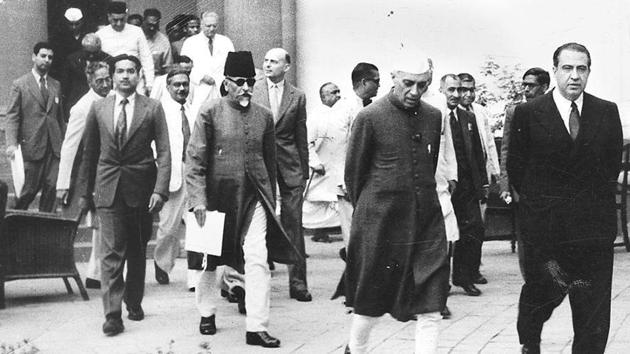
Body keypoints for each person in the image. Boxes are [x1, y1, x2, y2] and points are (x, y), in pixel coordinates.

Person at [507, 43, 622, 354]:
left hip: (592, 231)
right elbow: (517, 169)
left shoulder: (606, 112)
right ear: (555, 70)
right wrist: (539, 212)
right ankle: (529, 341)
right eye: (568, 68)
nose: (575, 76)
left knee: (593, 310)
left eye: (581, 69)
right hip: (547, 232)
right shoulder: (528, 114)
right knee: (541, 295)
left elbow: (610, 166)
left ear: (588, 72)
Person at [186, 51, 301, 347]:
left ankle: (257, 327)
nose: (247, 88)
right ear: (226, 83)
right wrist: (198, 200)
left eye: (251, 81)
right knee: (208, 261)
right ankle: (207, 312)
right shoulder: (209, 111)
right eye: (240, 82)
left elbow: (270, 160)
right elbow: (195, 160)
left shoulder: (264, 115)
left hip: (255, 198)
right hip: (214, 199)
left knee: (257, 258)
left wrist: (270, 198)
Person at [341, 56, 449, 354]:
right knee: (370, 303)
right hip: (381, 223)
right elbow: (354, 176)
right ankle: (356, 349)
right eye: (408, 83)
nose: (415, 91)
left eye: (423, 84)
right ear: (393, 77)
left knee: (432, 302)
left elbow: (430, 161)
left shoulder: (434, 115)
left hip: (426, 221)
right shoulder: (370, 116)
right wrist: (373, 212)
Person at [76, 54, 171, 336]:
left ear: (139, 74)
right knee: (111, 253)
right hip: (108, 188)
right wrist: (85, 193)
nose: (125, 76)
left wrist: (160, 190)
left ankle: (134, 299)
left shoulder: (152, 108)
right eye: (120, 71)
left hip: (141, 188)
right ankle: (112, 314)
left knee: (137, 248)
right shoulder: (98, 108)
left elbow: (165, 152)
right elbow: (89, 153)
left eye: (131, 71)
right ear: (113, 76)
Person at [253, 47, 311, 302]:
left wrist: (304, 170)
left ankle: (298, 283)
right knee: (255, 221)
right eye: (265, 60)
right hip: (260, 164)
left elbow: (301, 134)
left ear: (286, 67)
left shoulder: (297, 96)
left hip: (289, 165)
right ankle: (247, 281)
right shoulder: (253, 89)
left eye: (274, 62)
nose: (268, 65)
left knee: (293, 223)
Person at [57, 61, 112, 289]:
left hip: (112, 171)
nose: (105, 84)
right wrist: (63, 184)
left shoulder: (114, 99)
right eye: (99, 81)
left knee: (105, 224)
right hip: (95, 173)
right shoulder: (82, 107)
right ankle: (97, 273)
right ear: (89, 81)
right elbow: (69, 147)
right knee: (101, 223)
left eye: (107, 79)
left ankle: (96, 272)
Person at [439, 74, 488, 297]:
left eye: (459, 90)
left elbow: (478, 153)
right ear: (441, 89)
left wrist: (482, 184)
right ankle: (441, 284)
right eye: (451, 90)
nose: (456, 95)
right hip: (443, 186)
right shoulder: (434, 116)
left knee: (472, 229)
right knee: (444, 236)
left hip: (467, 186)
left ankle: (464, 277)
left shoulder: (468, 117)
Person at [5, 42, 65, 212]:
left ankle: (45, 231)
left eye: (50, 57)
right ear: (34, 57)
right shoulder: (20, 84)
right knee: (27, 191)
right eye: (43, 56)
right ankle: (10, 225)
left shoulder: (56, 85)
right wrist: (11, 143)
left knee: (52, 188)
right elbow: (12, 116)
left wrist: (64, 145)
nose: (46, 60)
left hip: (54, 148)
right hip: (32, 147)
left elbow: (59, 117)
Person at [152, 68, 195, 287]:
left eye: (185, 84)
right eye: (176, 85)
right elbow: (152, 143)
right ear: (168, 87)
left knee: (198, 224)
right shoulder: (160, 109)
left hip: (194, 171)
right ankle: (162, 263)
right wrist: (160, 170)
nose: (181, 88)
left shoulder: (192, 108)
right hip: (171, 171)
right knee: (168, 226)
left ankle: (196, 274)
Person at [337, 63, 380, 245]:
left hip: (366, 178)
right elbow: (338, 147)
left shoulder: (371, 107)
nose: (379, 85)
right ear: (364, 82)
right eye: (376, 81)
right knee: (351, 230)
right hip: (348, 179)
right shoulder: (344, 108)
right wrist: (343, 181)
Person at [304, 82, 350, 242]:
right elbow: (307, 142)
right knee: (317, 201)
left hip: (338, 165)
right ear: (323, 97)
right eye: (333, 92)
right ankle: (316, 232)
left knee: (337, 201)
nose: (338, 95)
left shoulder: (343, 113)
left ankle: (328, 231)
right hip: (321, 166)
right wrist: (315, 163)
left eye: (338, 91)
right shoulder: (315, 116)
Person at [499, 67, 549, 202]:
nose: (526, 89)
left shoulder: (555, 113)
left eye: (531, 85)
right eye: (524, 85)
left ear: (544, 87)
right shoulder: (514, 112)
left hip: (548, 186)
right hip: (521, 185)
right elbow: (506, 150)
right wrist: (505, 186)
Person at [96, 1, 155, 94]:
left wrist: (150, 84)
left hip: (135, 81)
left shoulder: (137, 31)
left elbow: (146, 58)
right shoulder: (100, 35)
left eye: (122, 19)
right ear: (109, 16)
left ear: (126, 16)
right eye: (115, 20)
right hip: (112, 84)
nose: (119, 23)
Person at [181, 11, 234, 102]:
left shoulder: (225, 41)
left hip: (220, 87)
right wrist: (201, 77)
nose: (212, 29)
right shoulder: (190, 43)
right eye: (208, 26)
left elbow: (233, 64)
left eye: (214, 26)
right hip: (199, 87)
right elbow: (183, 66)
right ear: (201, 25)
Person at [61, 33, 111, 117]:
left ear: (100, 49)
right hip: (77, 102)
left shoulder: (108, 59)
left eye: (95, 53)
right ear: (82, 49)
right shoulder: (72, 60)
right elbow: (65, 86)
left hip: (103, 104)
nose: (91, 56)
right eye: (88, 53)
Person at [49, 7, 90, 80]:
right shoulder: (58, 38)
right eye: (70, 24)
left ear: (82, 22)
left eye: (77, 24)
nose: (74, 27)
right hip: (66, 74)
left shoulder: (88, 35)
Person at [142, 8, 173, 77]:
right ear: (143, 21)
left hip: (155, 78)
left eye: (155, 25)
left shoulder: (163, 40)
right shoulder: (136, 36)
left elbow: (168, 67)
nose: (152, 28)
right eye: (149, 25)